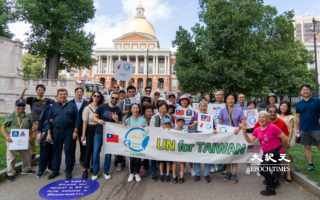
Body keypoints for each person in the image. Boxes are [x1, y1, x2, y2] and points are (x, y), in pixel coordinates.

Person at [242, 111, 288, 196]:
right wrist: (244, 132)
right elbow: (249, 140)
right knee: (262, 170)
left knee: (263, 169)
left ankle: (271, 188)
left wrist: (280, 148)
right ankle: (273, 181)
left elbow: (285, 138)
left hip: (276, 152)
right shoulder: (257, 130)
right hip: (266, 153)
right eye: (260, 117)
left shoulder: (273, 127)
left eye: (263, 117)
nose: (261, 119)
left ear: (267, 119)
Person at [46, 89, 79, 180]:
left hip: (69, 131)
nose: (62, 96)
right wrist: (49, 133)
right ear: (58, 95)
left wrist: (75, 131)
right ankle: (55, 170)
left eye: (64, 94)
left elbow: (76, 119)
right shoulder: (53, 107)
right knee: (56, 151)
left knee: (69, 151)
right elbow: (49, 120)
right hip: (56, 131)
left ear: (67, 95)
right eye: (61, 94)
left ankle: (68, 171)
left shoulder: (72, 106)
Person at [254, 104, 289, 187]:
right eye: (270, 112)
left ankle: (276, 180)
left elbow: (285, 136)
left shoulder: (281, 122)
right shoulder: (263, 120)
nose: (272, 113)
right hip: (267, 148)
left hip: (278, 147)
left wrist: (281, 146)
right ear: (267, 113)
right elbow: (256, 129)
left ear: (277, 112)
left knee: (276, 164)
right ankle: (269, 178)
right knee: (265, 165)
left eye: (274, 111)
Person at [2, 99, 36, 181]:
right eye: (19, 105)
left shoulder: (28, 116)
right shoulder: (11, 116)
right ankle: (10, 173)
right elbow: (3, 127)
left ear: (25, 106)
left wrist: (31, 137)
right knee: (11, 156)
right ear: (15, 106)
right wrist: (7, 137)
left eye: (23, 105)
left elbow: (31, 127)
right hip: (12, 139)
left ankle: (26, 169)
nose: (21, 107)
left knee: (27, 154)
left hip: (24, 138)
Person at [19, 84, 55, 161]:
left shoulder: (47, 100)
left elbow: (57, 102)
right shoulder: (32, 99)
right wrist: (24, 89)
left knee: (44, 140)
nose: (40, 91)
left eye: (42, 90)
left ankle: (44, 154)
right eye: (39, 89)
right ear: (36, 91)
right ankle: (33, 153)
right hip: (33, 123)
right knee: (31, 139)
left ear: (44, 91)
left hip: (43, 124)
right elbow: (20, 99)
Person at [91, 92, 122, 180]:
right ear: (110, 97)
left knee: (108, 153)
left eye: (116, 98)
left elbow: (120, 124)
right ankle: (95, 171)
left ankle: (106, 171)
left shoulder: (118, 110)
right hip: (99, 132)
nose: (114, 100)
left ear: (118, 100)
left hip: (111, 135)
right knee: (96, 152)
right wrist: (98, 120)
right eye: (113, 98)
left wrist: (116, 120)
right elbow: (93, 117)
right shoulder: (102, 107)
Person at [218, 92, 246, 183]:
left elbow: (243, 123)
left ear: (235, 100)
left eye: (232, 99)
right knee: (227, 154)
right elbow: (220, 124)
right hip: (226, 136)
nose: (230, 100)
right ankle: (228, 172)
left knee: (234, 154)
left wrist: (238, 127)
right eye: (229, 99)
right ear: (226, 100)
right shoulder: (222, 110)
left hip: (235, 134)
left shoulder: (239, 110)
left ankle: (234, 173)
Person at [188, 101, 217, 183]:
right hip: (197, 140)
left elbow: (213, 127)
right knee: (197, 156)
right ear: (198, 107)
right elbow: (189, 127)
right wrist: (194, 123)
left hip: (207, 139)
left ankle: (206, 174)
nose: (203, 107)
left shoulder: (210, 117)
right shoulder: (195, 117)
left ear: (206, 108)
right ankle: (197, 174)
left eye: (204, 106)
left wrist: (214, 130)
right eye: (201, 106)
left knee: (207, 156)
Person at [296, 84, 320, 172]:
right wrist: (297, 128)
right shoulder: (299, 104)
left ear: (310, 90)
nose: (305, 91)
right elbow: (297, 117)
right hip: (304, 128)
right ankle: (311, 164)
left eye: (307, 89)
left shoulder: (317, 101)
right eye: (303, 90)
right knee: (307, 146)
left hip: (317, 128)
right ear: (301, 92)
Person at [81, 91, 104, 179]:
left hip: (99, 128)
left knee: (96, 149)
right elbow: (85, 122)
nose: (96, 97)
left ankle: (93, 166)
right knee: (88, 149)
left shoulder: (101, 107)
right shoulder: (87, 108)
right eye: (94, 95)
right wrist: (83, 135)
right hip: (90, 129)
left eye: (98, 96)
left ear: (100, 98)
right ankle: (85, 169)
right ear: (92, 96)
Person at [36, 96, 59, 178]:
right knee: (44, 150)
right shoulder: (48, 107)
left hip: (57, 132)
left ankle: (51, 166)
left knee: (54, 150)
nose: (58, 99)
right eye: (57, 97)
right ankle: (41, 169)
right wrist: (39, 132)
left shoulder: (63, 107)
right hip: (46, 131)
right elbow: (41, 119)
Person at [124, 104, 148, 182]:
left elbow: (147, 131)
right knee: (131, 159)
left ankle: (137, 173)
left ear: (139, 109)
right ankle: (131, 174)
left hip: (139, 143)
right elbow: (123, 132)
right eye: (133, 108)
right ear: (131, 110)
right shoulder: (127, 120)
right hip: (131, 143)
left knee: (138, 160)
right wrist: (124, 126)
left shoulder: (143, 120)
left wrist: (145, 127)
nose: (135, 109)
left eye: (137, 108)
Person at [150, 101, 172, 181]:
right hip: (156, 140)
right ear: (158, 109)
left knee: (167, 155)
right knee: (153, 155)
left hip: (166, 140)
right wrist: (159, 129)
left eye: (164, 108)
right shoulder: (154, 117)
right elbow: (151, 129)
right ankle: (153, 172)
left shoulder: (169, 117)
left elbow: (172, 127)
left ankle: (167, 171)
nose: (163, 110)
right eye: (161, 108)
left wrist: (169, 128)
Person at [177, 95, 195, 175]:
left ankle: (191, 168)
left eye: (185, 100)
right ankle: (183, 168)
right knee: (182, 151)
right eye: (182, 100)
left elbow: (194, 121)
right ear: (180, 102)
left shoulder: (192, 110)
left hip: (189, 132)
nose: (184, 102)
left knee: (190, 151)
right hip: (180, 133)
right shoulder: (177, 110)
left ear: (188, 101)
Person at [70, 87, 88, 167]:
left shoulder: (86, 103)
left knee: (83, 143)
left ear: (83, 93)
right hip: (72, 126)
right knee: (72, 143)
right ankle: (72, 159)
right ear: (75, 93)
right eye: (77, 92)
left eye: (80, 92)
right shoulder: (70, 103)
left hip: (82, 125)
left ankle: (82, 159)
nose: (79, 93)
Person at [278, 100, 294, 184]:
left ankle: (288, 176)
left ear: (288, 108)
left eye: (285, 106)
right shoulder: (276, 115)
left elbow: (290, 130)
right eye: (282, 105)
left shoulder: (290, 117)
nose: (283, 107)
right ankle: (282, 172)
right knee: (279, 156)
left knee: (286, 157)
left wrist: (288, 140)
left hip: (285, 138)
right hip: (276, 139)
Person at [171, 116, 187, 184]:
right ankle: (174, 175)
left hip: (182, 147)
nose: (180, 123)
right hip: (175, 148)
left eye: (182, 122)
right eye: (179, 122)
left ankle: (181, 175)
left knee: (182, 161)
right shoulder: (173, 129)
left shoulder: (186, 130)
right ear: (176, 122)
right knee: (174, 161)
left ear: (184, 123)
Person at [245, 100, 259, 176]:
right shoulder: (244, 114)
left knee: (257, 150)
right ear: (247, 106)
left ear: (255, 107)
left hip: (256, 133)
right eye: (249, 105)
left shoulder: (258, 114)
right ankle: (248, 167)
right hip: (248, 133)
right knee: (249, 150)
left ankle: (258, 167)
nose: (251, 107)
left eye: (252, 105)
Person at [140, 104, 154, 176]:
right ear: (144, 112)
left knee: (149, 152)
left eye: (150, 111)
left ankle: (145, 167)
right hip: (143, 138)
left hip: (152, 138)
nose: (149, 113)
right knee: (144, 152)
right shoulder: (141, 118)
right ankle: (143, 165)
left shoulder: (154, 118)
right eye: (147, 111)